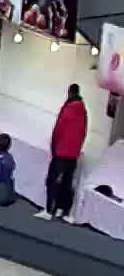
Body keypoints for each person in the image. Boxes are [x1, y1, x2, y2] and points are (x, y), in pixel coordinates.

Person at [42, 83, 88, 220]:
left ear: (69, 93)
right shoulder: (83, 111)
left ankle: (49, 210)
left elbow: (58, 130)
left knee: (52, 180)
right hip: (73, 154)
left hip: (61, 152)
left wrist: (54, 147)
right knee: (67, 183)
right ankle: (63, 210)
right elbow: (83, 132)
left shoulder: (68, 109)